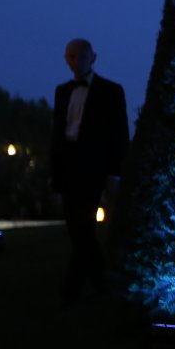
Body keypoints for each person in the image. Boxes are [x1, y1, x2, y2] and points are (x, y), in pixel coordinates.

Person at [50, 38, 128, 304]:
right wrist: (55, 173)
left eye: (81, 57)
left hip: (93, 166)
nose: (76, 62)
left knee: (83, 227)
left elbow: (119, 134)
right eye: (71, 57)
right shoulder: (62, 91)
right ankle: (101, 281)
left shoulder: (111, 91)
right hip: (69, 165)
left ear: (92, 58)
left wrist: (114, 173)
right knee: (77, 229)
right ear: (66, 59)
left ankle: (70, 290)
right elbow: (58, 134)